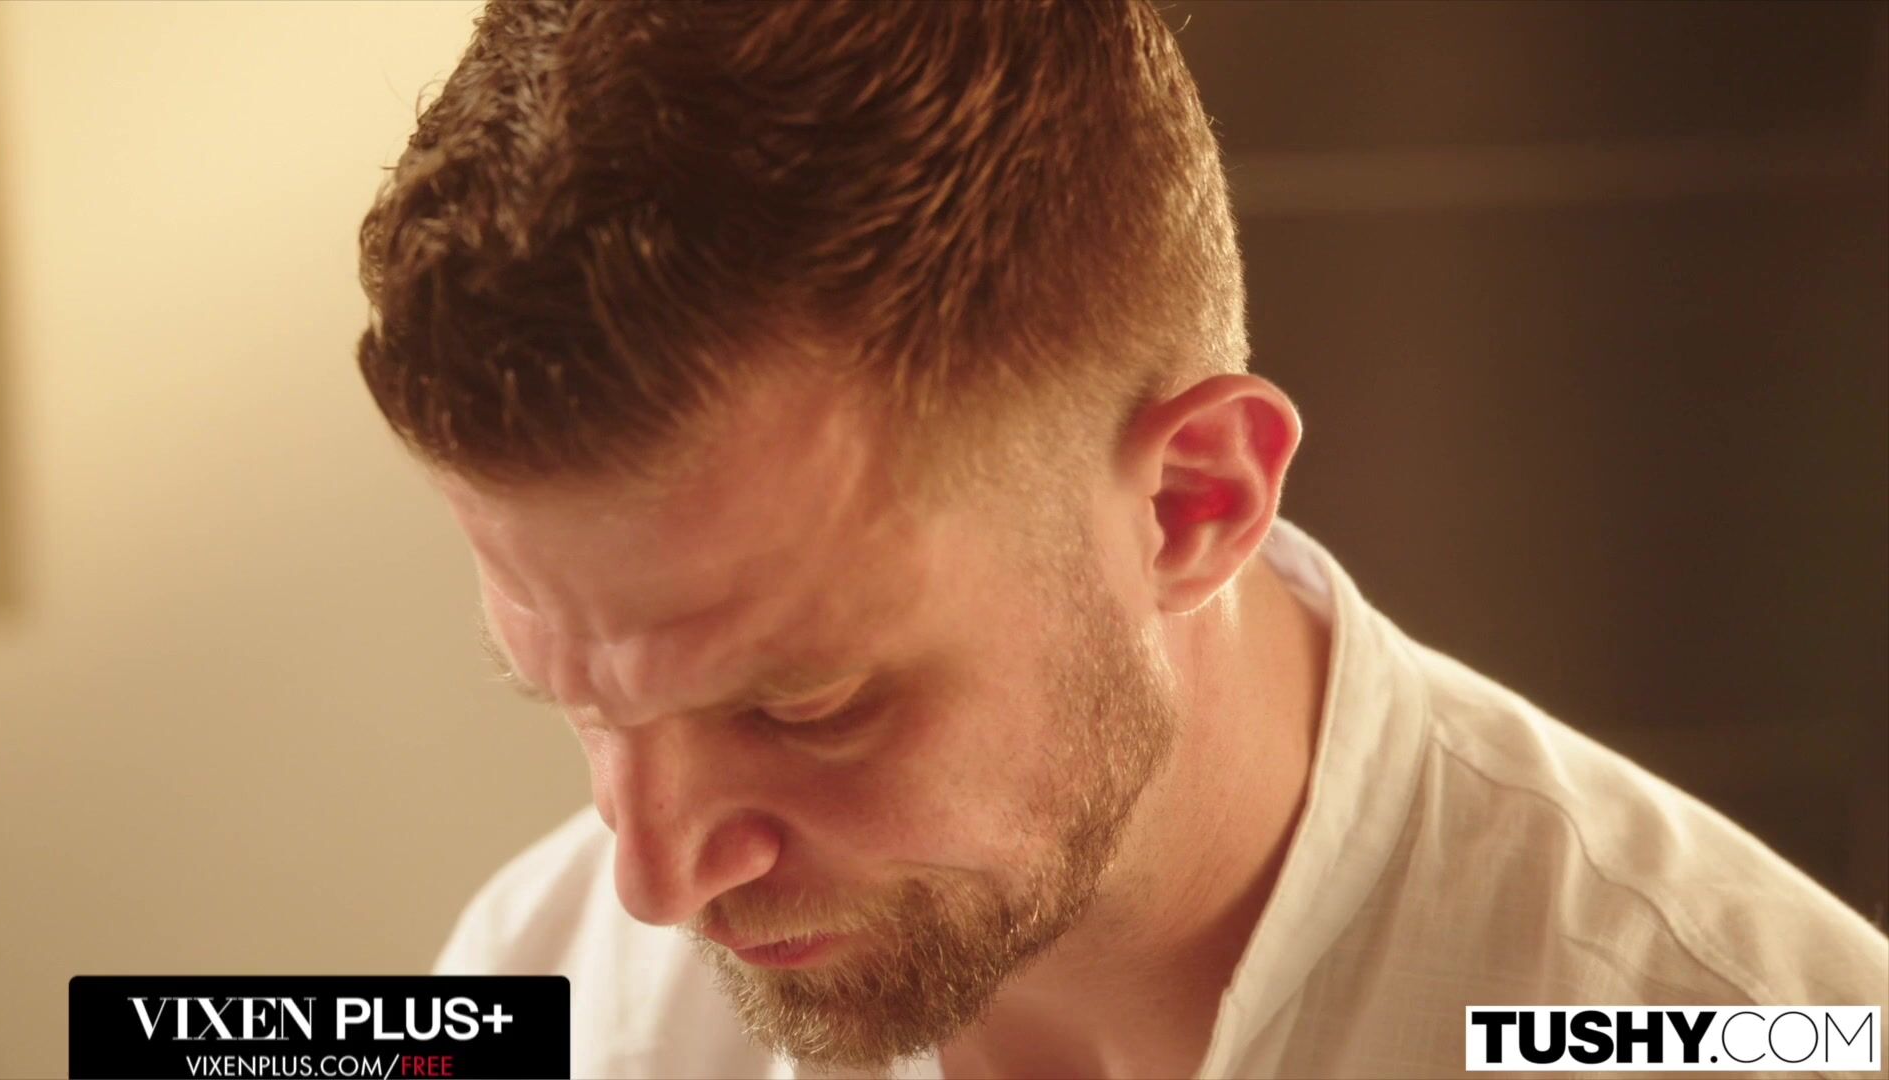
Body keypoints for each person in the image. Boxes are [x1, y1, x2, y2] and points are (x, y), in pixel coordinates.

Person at [352, 2, 1888, 1077]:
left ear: (1194, 503)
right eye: (585, 703)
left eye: (805, 705)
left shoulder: (1757, 1034)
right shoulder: (539, 987)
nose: (656, 880)